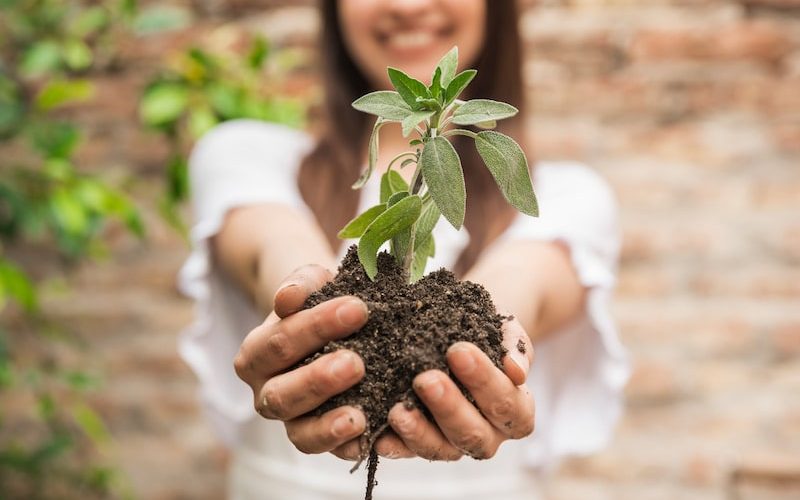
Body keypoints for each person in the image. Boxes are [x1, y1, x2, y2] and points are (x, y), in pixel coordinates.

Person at [178, 1, 630, 498]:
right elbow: (273, 247)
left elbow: (523, 280)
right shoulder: (247, 155)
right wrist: (312, 311)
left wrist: (483, 340)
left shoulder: (568, 195)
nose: (408, 4)